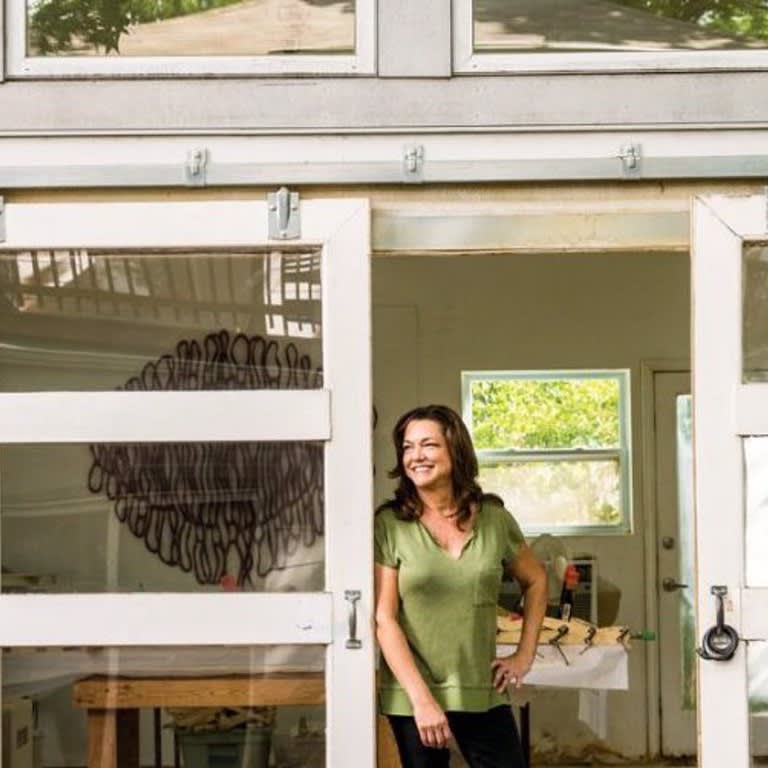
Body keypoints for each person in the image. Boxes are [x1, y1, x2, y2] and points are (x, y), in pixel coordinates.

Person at [374, 404, 547, 768]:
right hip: (412, 694)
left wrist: (523, 655)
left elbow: (536, 580)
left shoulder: (495, 520)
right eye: (407, 447)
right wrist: (422, 700)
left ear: (456, 450)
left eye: (429, 445)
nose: (416, 456)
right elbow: (385, 620)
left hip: (480, 687)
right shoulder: (389, 524)